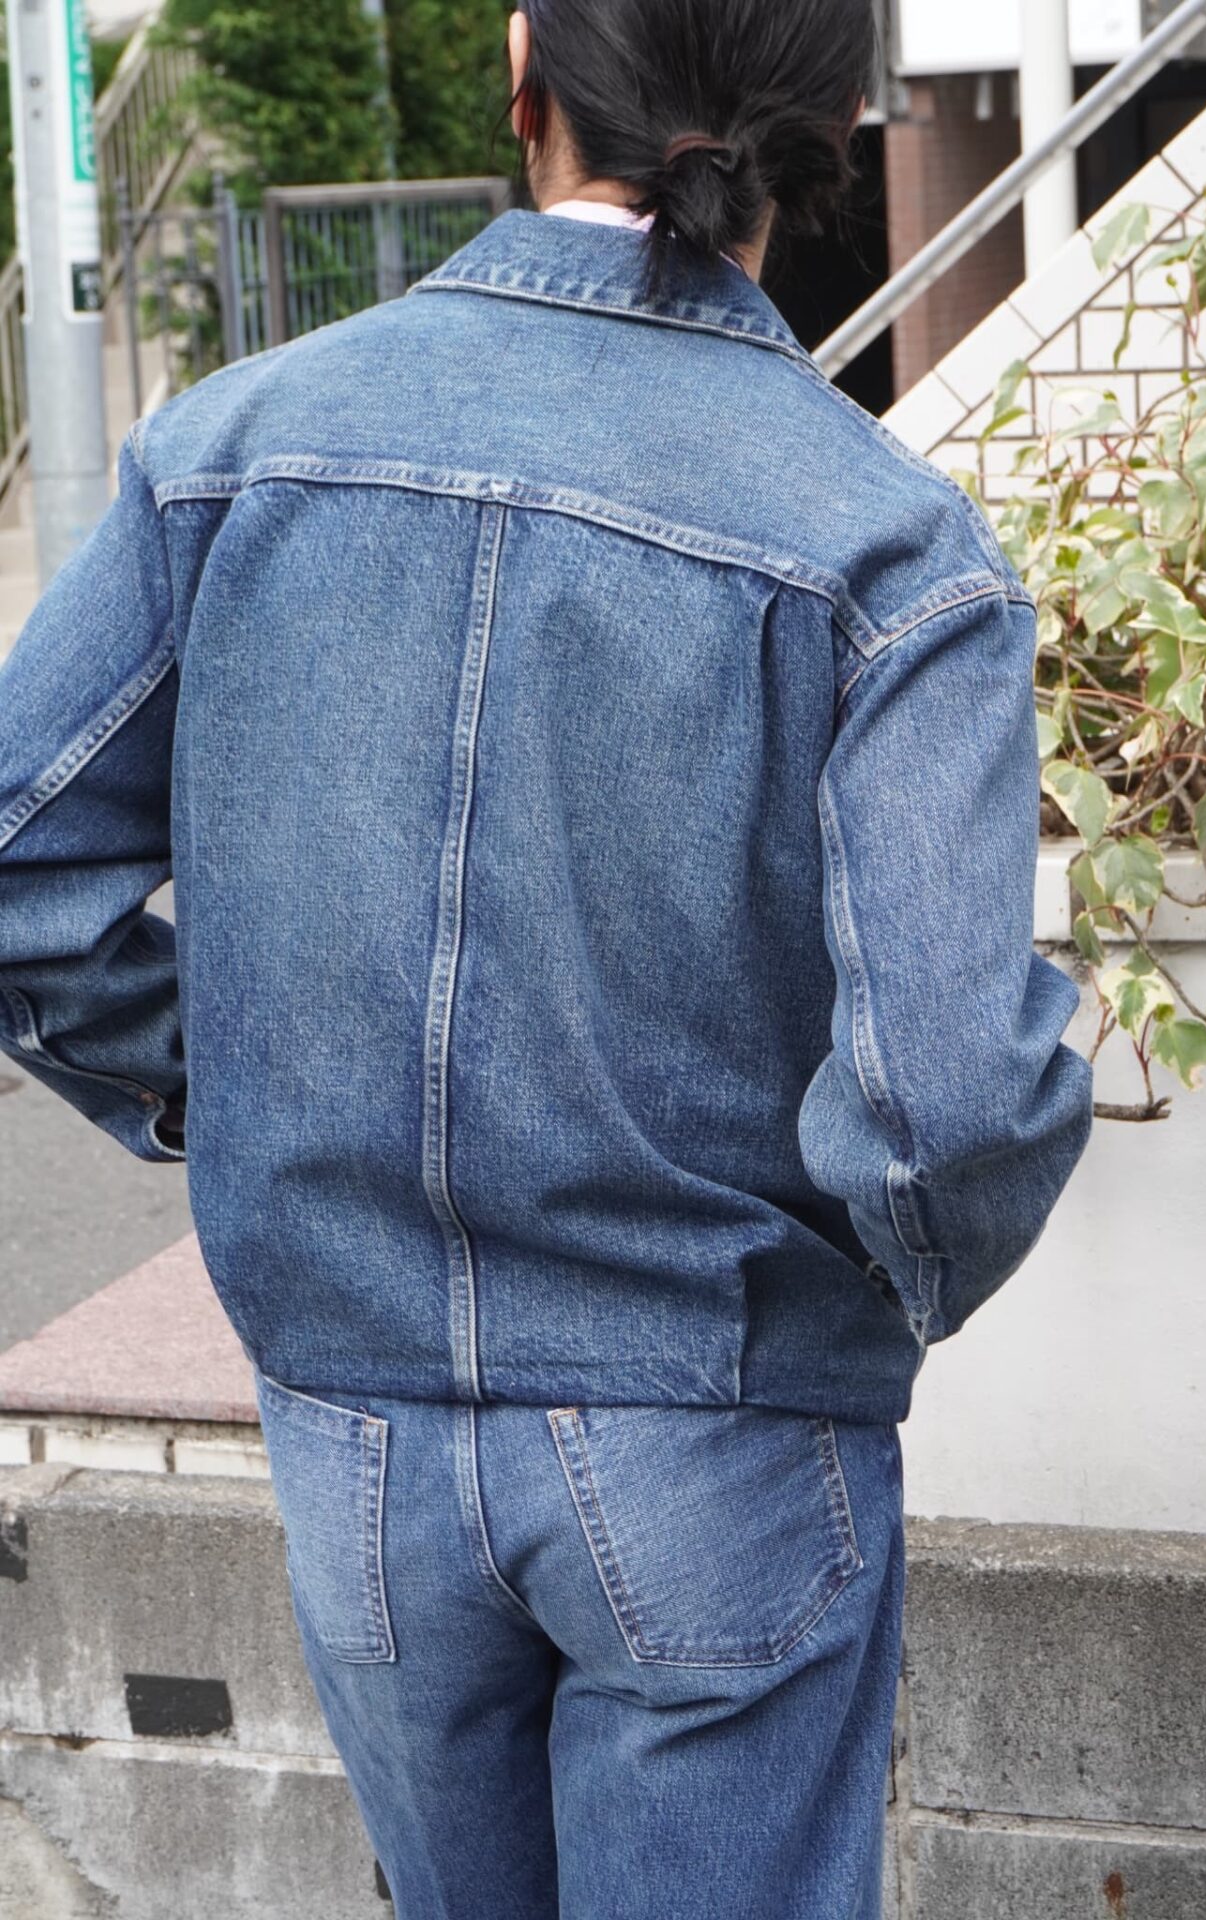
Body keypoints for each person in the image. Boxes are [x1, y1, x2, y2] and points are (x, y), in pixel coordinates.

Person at [0, 2, 1095, 1914]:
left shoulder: (231, 450)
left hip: (354, 1424)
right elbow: (949, 1109)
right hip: (722, 1426)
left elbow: (21, 866)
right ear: (841, 120)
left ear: (525, 72)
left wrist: (235, 1089)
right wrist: (848, 1313)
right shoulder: (893, 549)